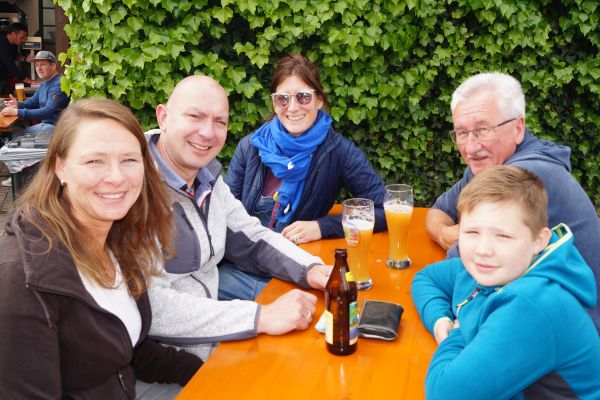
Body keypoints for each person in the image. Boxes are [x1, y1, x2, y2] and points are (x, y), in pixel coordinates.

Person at [0, 99, 202, 399]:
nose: (116, 177)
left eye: (129, 160)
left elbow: (128, 348)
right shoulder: (21, 279)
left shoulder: (117, 237)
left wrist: (206, 370)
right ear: (59, 167)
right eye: (95, 161)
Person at [145, 75, 332, 362]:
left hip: (213, 343)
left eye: (220, 122)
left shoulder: (206, 178)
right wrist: (260, 317)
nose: (208, 132)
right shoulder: (131, 186)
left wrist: (311, 269)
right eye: (195, 116)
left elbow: (251, 235)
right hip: (162, 366)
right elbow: (150, 305)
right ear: (164, 117)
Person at [425, 72, 600, 331]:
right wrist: (447, 233)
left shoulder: (525, 175)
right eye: (462, 133)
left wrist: (461, 237)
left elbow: (457, 268)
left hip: (569, 332)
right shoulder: (489, 164)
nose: (470, 148)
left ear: (518, 128)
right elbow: (438, 212)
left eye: (483, 130)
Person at [412, 165, 600, 400]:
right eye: (471, 232)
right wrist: (441, 321)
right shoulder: (492, 269)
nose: (483, 250)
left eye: (503, 236)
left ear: (538, 241)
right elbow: (427, 278)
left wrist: (457, 332)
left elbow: (444, 394)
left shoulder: (533, 304)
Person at [223, 53, 386, 298]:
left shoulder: (338, 151)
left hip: (294, 272)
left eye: (303, 97)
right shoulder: (251, 147)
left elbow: (382, 210)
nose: (292, 107)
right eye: (282, 99)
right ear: (274, 103)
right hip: (240, 268)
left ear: (319, 100)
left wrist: (321, 227)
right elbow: (223, 215)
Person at [1, 50, 70, 134]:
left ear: (53, 66)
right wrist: (18, 105)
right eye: (37, 65)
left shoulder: (59, 83)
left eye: (43, 64)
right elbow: (33, 101)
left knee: (14, 136)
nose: (38, 68)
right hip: (46, 125)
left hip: (56, 128)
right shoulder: (45, 82)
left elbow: (48, 111)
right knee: (14, 134)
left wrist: (17, 111)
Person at [0, 22, 34, 94]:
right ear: (13, 34)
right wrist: (31, 81)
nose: (23, 40)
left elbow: (14, 55)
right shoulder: (3, 45)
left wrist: (25, 59)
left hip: (5, 77)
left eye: (25, 38)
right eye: (22, 38)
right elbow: (12, 69)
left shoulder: (13, 42)